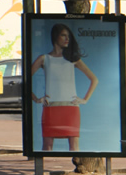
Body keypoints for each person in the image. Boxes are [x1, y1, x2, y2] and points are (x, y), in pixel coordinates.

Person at [30, 23, 98, 151]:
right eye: (63, 35)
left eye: (68, 36)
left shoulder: (73, 59)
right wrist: (36, 98)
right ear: (55, 37)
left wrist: (85, 100)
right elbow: (25, 81)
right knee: (47, 146)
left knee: (74, 145)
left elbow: (94, 79)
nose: (67, 39)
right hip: (51, 108)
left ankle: (76, 168)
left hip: (71, 108)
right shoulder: (44, 59)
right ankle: (44, 170)